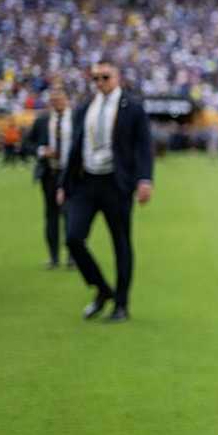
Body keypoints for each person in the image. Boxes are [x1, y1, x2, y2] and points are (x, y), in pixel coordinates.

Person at [62, 62, 154, 323]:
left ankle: (121, 305)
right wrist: (64, 184)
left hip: (116, 184)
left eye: (105, 77)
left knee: (121, 244)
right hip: (87, 182)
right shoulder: (84, 109)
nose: (100, 82)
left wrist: (144, 179)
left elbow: (143, 145)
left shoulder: (132, 107)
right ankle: (103, 289)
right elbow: (75, 148)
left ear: (117, 77)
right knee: (73, 238)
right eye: (95, 78)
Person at [26, 88, 75, 270]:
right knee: (51, 216)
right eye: (54, 100)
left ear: (67, 100)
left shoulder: (76, 119)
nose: (57, 102)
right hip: (50, 173)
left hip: (71, 174)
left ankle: (72, 256)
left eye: (60, 99)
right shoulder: (43, 120)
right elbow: (28, 143)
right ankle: (54, 257)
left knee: (71, 215)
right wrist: (42, 151)